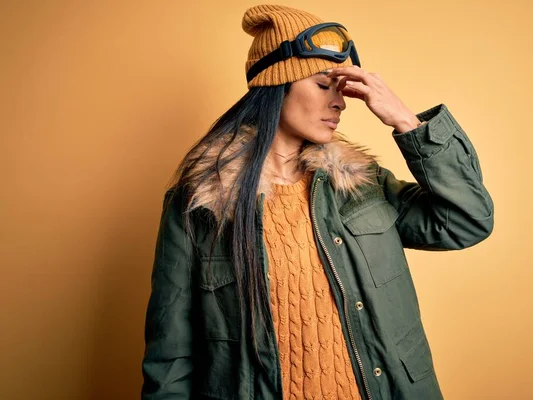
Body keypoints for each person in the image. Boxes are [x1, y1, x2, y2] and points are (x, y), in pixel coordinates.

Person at [141, 4, 494, 400]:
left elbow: (466, 221)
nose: (340, 102)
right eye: (324, 85)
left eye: (342, 89)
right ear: (276, 87)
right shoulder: (199, 206)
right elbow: (171, 356)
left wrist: (407, 122)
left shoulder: (361, 185)